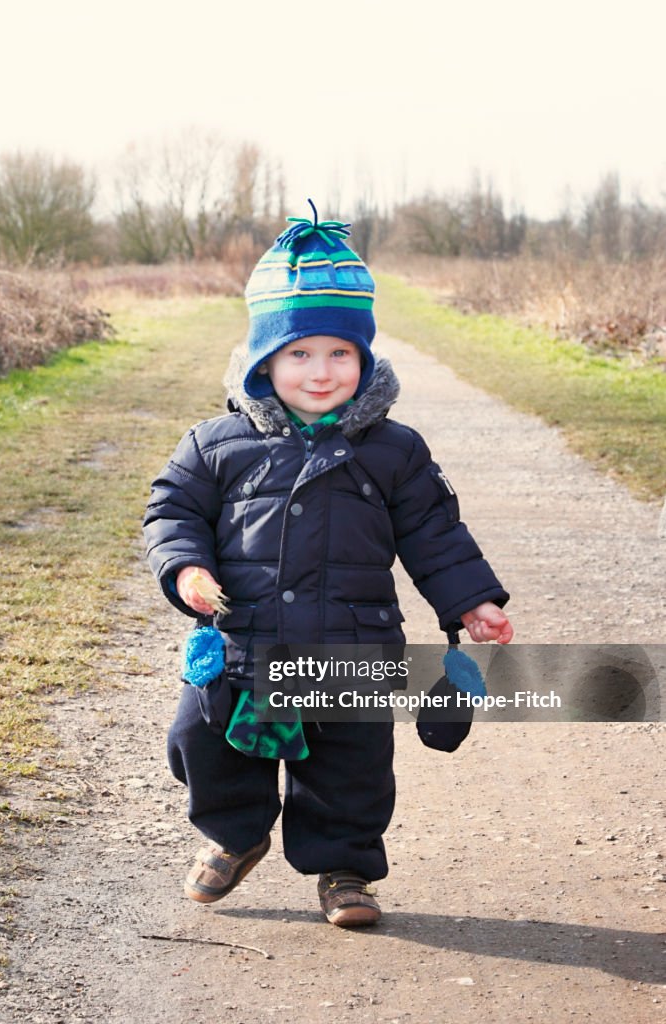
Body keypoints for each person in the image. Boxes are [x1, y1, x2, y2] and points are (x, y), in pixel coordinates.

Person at [143, 203, 513, 928]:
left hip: (351, 644)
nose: (320, 373)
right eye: (299, 354)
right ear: (264, 361)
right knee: (204, 743)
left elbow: (434, 532)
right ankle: (236, 831)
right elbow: (171, 514)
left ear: (365, 359)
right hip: (243, 643)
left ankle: (343, 869)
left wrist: (471, 601)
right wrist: (185, 569)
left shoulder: (393, 450)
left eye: (340, 354)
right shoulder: (215, 444)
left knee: (348, 767)